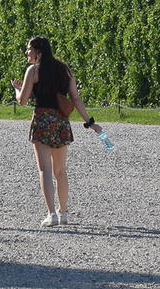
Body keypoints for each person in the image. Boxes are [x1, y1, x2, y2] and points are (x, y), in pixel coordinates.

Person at [11, 36, 100, 227]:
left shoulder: (33, 71)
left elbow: (23, 101)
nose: (27, 52)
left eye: (29, 49)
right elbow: (75, 98)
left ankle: (51, 214)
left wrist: (17, 90)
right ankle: (63, 212)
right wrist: (90, 122)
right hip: (60, 121)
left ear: (39, 52)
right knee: (60, 171)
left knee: (45, 170)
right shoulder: (64, 70)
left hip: (42, 120)